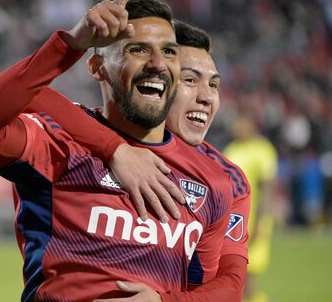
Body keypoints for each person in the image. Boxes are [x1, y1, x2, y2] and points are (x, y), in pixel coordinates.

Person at [0, 0, 235, 302]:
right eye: (138, 50)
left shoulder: (214, 180)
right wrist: (72, 43)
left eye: (170, 52)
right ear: (97, 67)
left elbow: (220, 289)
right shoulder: (58, 145)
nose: (157, 64)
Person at [26, 20, 250, 302]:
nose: (206, 97)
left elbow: (230, 285)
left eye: (214, 84)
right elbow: (25, 92)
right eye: (190, 81)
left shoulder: (226, 178)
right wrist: (114, 148)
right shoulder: (75, 132)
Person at [223, 113, 278, 302]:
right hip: (233, 219)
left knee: (249, 273)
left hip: (254, 219)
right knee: (234, 273)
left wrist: (261, 223)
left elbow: (267, 190)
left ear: (251, 125)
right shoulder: (232, 148)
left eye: (240, 122)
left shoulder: (263, 150)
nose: (236, 127)